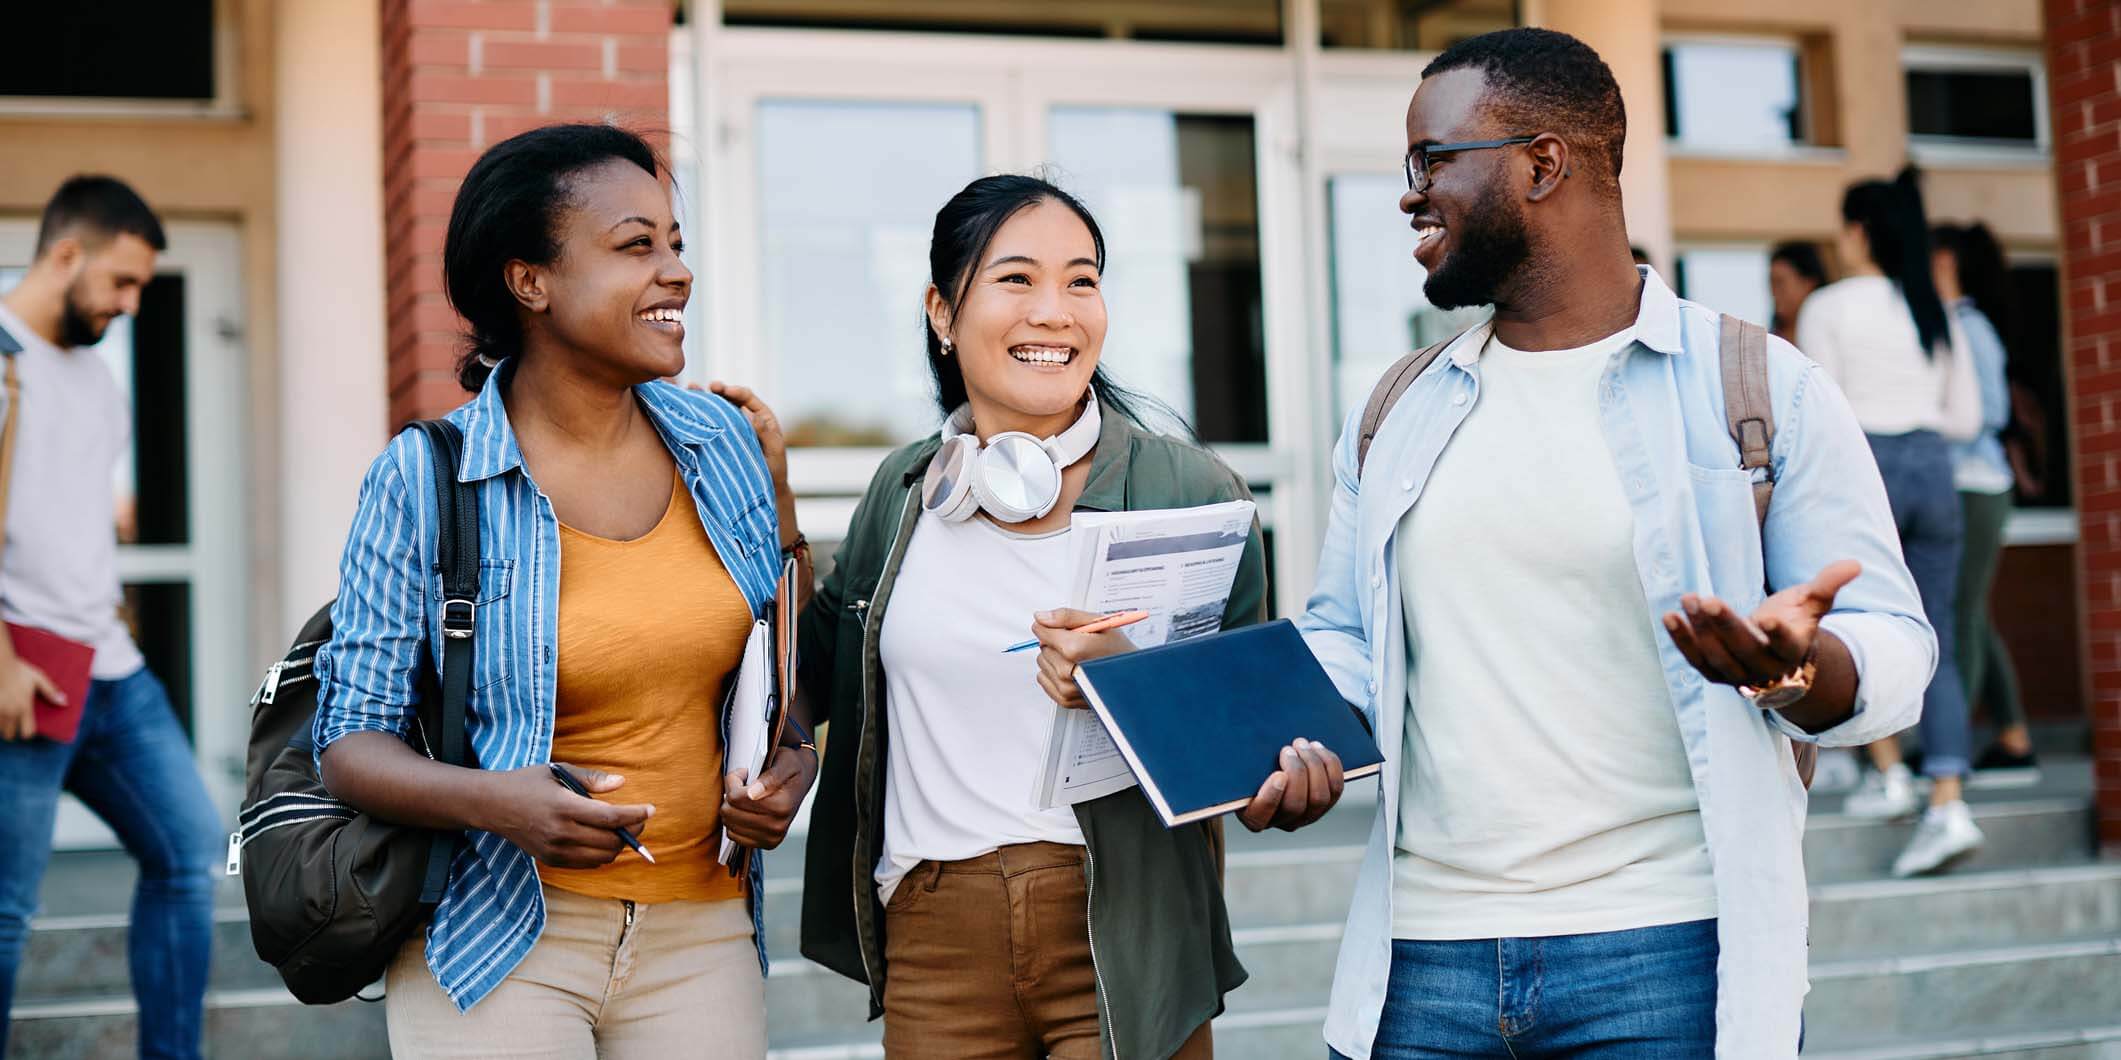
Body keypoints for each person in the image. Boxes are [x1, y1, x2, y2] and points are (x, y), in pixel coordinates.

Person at [1299, 29, 1934, 1058]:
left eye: (1432, 161)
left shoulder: (1761, 389)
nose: (1410, 195)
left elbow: (1895, 644)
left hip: (1667, 959)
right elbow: (1346, 643)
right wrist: (1288, 743)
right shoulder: (1397, 410)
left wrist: (1800, 668)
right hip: (1420, 967)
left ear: (1543, 163)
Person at [797, 173, 1344, 1060]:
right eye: (1016, 279)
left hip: (1122, 932)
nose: (1055, 311)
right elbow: (810, 677)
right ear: (942, 311)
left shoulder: (1189, 491)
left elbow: (1252, 752)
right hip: (935, 932)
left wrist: (1143, 696)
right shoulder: (899, 495)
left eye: (1081, 280)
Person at [311, 124, 813, 1058]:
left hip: (701, 932)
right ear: (529, 281)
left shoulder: (722, 442)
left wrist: (792, 765)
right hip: (500, 935)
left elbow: (780, 674)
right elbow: (349, 744)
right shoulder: (426, 477)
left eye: (675, 245)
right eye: (635, 246)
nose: (676, 273)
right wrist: (499, 802)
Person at [0, 176, 221, 1060]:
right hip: (24, 668)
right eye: (122, 284)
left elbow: (76, 521)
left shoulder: (94, 379)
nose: (132, 304)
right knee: (8, 908)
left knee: (188, 848)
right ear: (66, 254)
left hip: (110, 671)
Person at [1799, 170, 1984, 876]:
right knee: (1932, 627)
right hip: (1935, 466)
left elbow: (1817, 413)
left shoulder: (1829, 305)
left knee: (1855, 621)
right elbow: (1967, 417)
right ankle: (1946, 802)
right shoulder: (1930, 308)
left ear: (1856, 232)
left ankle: (1889, 775)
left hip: (1864, 467)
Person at [1932, 222, 2035, 776]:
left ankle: (1949, 745)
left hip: (1976, 485)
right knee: (1974, 612)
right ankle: (2014, 734)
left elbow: (1991, 412)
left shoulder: (1969, 326)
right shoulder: (1954, 323)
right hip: (1965, 485)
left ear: (1947, 263)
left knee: (1959, 611)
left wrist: (1931, 430)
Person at [1768, 240, 1828, 345]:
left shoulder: (1829, 333)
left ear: (1808, 283)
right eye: (1771, 283)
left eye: (1780, 283)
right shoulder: (1770, 341)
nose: (1774, 291)